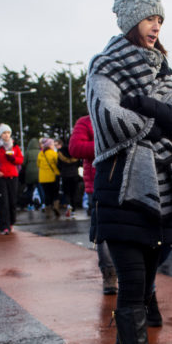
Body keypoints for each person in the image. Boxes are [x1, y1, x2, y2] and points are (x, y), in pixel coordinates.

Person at [87, 0, 172, 344]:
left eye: (161, 21)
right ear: (133, 22)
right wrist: (161, 125)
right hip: (121, 192)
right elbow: (107, 118)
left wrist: (146, 107)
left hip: (167, 193)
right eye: (150, 19)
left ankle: (123, 342)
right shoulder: (104, 66)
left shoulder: (162, 70)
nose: (156, 27)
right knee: (132, 285)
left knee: (150, 276)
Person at [69, 115, 117, 295]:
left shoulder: (121, 116)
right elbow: (75, 148)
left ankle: (128, 273)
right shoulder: (85, 121)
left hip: (126, 180)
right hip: (97, 184)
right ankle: (109, 273)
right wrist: (107, 145)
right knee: (102, 231)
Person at [0, 124, 24, 234]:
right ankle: (3, 226)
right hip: (1, 176)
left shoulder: (14, 146)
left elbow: (20, 160)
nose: (6, 135)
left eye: (8, 133)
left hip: (13, 176)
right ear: (0, 134)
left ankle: (11, 222)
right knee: (3, 201)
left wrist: (13, 158)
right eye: (4, 133)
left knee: (12, 201)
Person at [56, 138, 80, 217]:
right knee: (74, 192)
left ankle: (68, 205)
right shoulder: (75, 150)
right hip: (74, 174)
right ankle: (73, 210)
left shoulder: (60, 152)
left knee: (66, 192)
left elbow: (58, 165)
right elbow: (79, 163)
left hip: (65, 174)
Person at [37, 138, 60, 219]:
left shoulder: (40, 154)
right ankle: (56, 207)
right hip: (53, 176)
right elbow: (58, 164)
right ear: (50, 145)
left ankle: (48, 212)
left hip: (43, 178)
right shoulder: (54, 153)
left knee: (47, 194)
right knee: (55, 193)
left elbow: (38, 164)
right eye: (52, 144)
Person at [20, 138, 43, 210]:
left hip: (29, 174)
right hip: (39, 173)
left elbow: (23, 163)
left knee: (29, 190)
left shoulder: (27, 152)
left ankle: (30, 204)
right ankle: (43, 204)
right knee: (40, 189)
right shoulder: (40, 152)